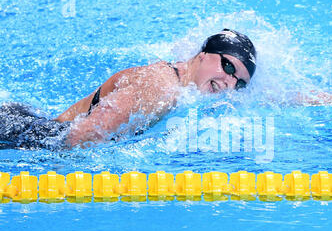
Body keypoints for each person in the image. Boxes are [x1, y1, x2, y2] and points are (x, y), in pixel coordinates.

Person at [0, 29, 257, 149]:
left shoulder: (182, 81)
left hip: (29, 121)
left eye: (240, 83)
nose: (229, 83)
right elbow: (83, 135)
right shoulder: (160, 89)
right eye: (228, 67)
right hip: (26, 135)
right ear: (203, 54)